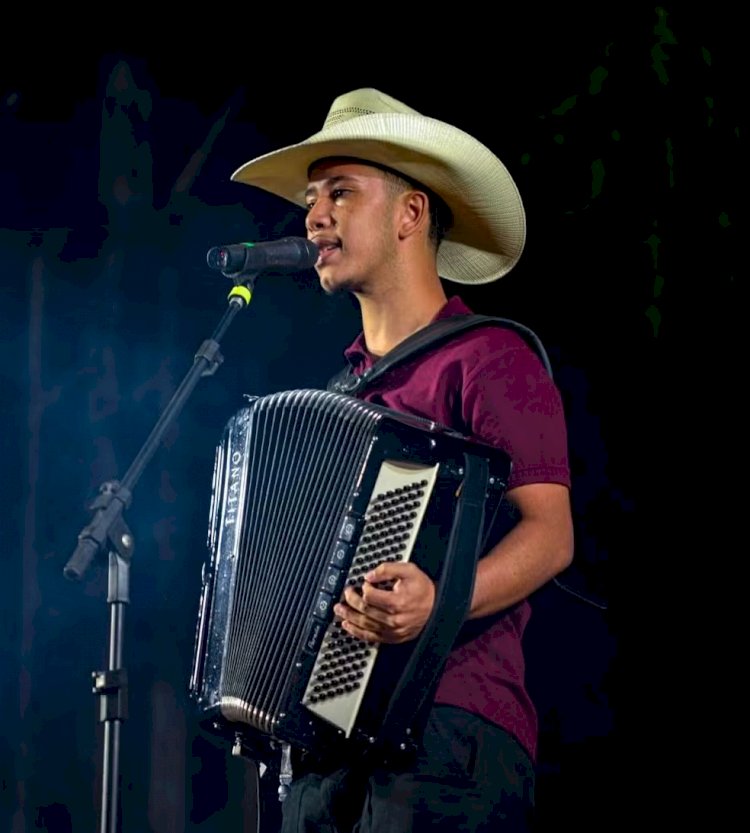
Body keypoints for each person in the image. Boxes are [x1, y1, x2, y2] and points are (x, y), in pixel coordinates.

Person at [229, 87, 575, 832]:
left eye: (340, 192)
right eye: (312, 197)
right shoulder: (340, 394)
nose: (314, 215)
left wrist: (437, 600)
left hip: (448, 740)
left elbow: (551, 533)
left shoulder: (489, 358)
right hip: (326, 759)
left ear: (410, 215)